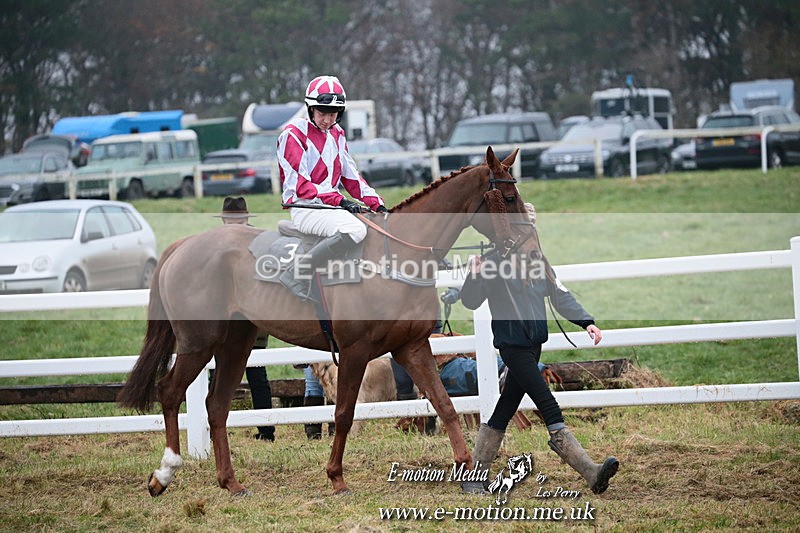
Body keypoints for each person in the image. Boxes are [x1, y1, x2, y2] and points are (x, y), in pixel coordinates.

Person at [459, 203, 619, 495]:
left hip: (534, 347)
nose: (530, 234)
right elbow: (470, 300)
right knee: (548, 405)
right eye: (524, 229)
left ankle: (474, 478)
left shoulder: (539, 263)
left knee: (504, 409)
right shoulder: (492, 263)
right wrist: (474, 274)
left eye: (532, 229)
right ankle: (591, 472)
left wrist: (587, 322)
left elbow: (559, 295)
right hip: (513, 347)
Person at [276, 75, 388, 302]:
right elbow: (301, 186)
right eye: (322, 113)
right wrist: (340, 200)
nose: (328, 120)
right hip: (304, 207)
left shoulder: (337, 134)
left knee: (378, 225)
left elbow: (351, 177)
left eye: (333, 114)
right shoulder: (292, 135)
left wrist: (376, 203)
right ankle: (297, 273)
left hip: (330, 207)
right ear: (310, 109)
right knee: (355, 230)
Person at [214, 196, 276, 442]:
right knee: (223, 375)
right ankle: (219, 428)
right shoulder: (224, 244)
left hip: (253, 318)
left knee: (256, 376)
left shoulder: (251, 244)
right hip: (233, 319)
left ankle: (266, 429)